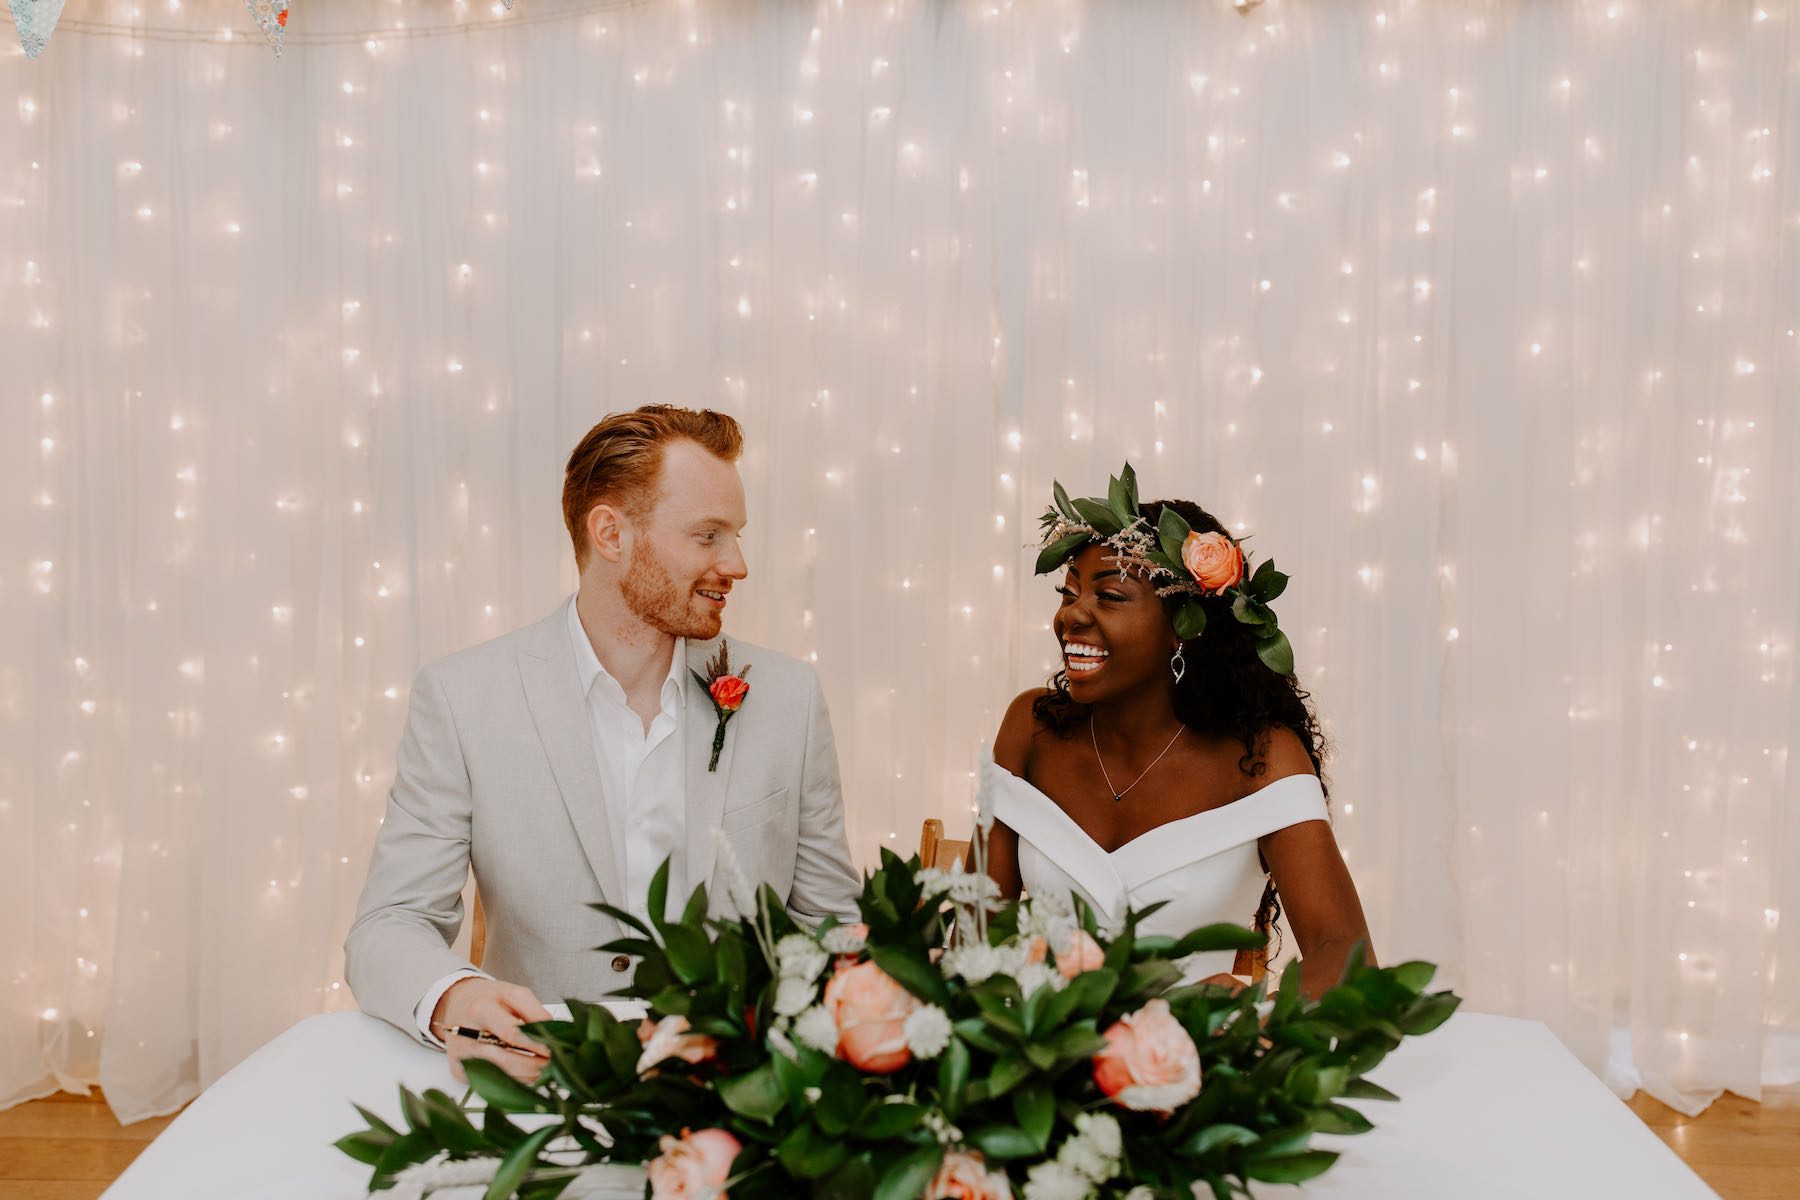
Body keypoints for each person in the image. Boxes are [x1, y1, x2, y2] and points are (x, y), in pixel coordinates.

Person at [345, 405, 861, 1081]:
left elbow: (835, 929)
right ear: (611, 533)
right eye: (708, 535)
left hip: (740, 1104)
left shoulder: (789, 700)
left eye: (734, 535)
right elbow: (388, 926)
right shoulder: (463, 699)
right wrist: (458, 998)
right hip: (543, 1095)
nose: (736, 564)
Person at [980, 465, 1372, 998]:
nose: (1072, 615)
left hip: (1192, 1066)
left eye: (1110, 596)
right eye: (1069, 593)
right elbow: (978, 938)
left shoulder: (1262, 754)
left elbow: (1349, 961)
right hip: (1043, 1061)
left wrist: (1253, 1015)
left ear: (1182, 629)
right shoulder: (1030, 728)